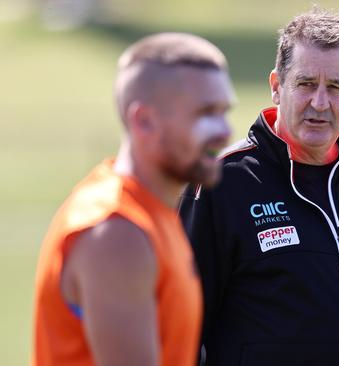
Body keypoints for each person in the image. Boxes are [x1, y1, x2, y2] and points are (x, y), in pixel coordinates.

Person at [179, 8, 339, 366]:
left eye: (336, 87)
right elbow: (180, 330)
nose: (320, 103)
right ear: (277, 87)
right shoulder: (222, 182)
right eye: (306, 84)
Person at [32, 32, 234, 366]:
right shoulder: (117, 233)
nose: (224, 131)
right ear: (143, 120)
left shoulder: (152, 210)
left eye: (224, 111)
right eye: (204, 113)